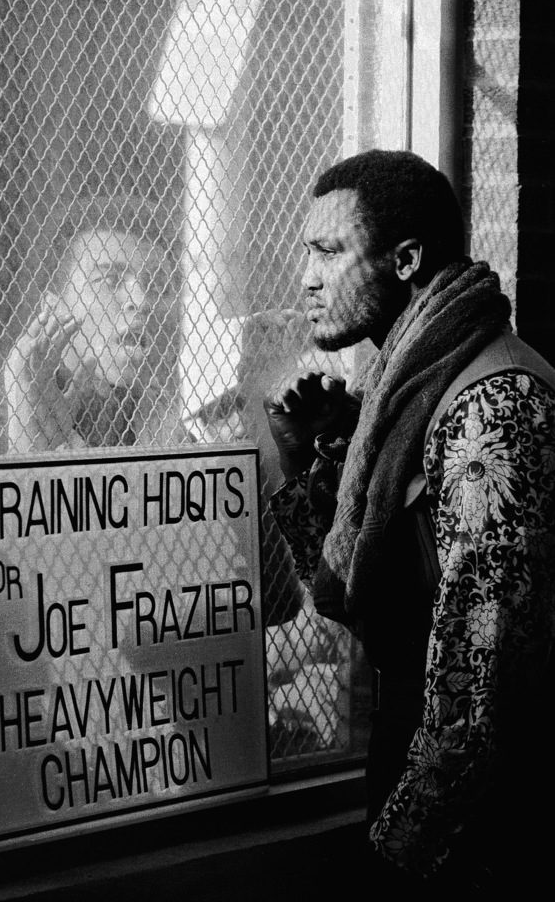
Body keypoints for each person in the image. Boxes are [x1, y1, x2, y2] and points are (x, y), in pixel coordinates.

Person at [263, 149, 555, 890]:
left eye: (329, 253)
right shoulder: (404, 392)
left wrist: (396, 853)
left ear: (405, 260)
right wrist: (312, 464)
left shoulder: (492, 402)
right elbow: (372, 608)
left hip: (482, 828)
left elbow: (482, 680)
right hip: (420, 783)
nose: (307, 277)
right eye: (307, 252)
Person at [0, 195, 185, 825]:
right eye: (112, 279)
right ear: (53, 301)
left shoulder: (149, 438)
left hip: (123, 758)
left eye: (157, 284)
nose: (142, 301)